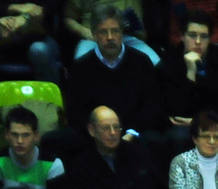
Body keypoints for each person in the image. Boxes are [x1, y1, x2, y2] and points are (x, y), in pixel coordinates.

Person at [155, 16, 218, 171]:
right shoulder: (169, 64)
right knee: (177, 137)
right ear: (182, 36)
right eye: (192, 35)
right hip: (187, 130)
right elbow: (174, 111)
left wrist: (208, 123)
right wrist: (190, 73)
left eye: (203, 36)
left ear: (210, 39)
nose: (198, 41)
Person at [63, 10, 166, 167]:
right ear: (94, 34)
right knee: (63, 140)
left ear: (122, 33)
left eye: (115, 31)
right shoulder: (81, 67)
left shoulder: (141, 62)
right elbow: (75, 112)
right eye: (103, 32)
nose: (110, 37)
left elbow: (152, 105)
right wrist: (99, 134)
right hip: (95, 135)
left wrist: (132, 133)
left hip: (133, 132)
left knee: (155, 141)